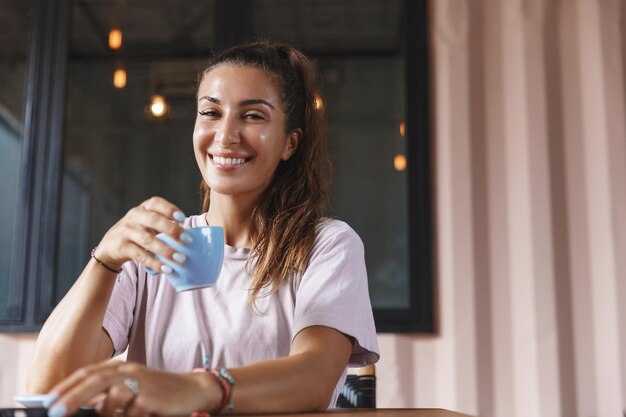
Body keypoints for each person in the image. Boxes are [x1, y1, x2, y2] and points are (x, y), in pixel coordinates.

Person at [27, 40, 379, 417]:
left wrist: (196, 388)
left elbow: (314, 376)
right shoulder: (154, 246)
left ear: (290, 143)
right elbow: (49, 387)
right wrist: (105, 261)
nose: (226, 135)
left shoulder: (327, 245)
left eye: (253, 116)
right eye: (211, 112)